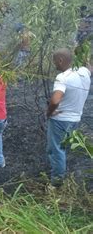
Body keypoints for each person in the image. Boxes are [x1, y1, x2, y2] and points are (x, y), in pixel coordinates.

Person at [46, 48, 91, 186]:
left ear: (60, 60)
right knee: (64, 148)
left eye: (55, 62)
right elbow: (90, 66)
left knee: (56, 150)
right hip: (75, 119)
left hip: (60, 120)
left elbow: (55, 100)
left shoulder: (62, 78)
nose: (55, 65)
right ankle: (62, 173)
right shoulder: (84, 72)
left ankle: (57, 182)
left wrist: (49, 113)